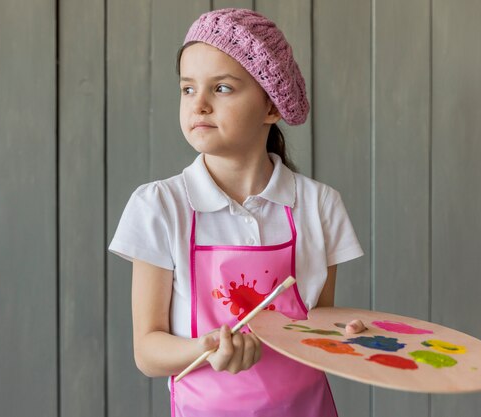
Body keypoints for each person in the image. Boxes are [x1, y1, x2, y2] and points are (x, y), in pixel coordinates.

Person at [109, 8, 365, 416]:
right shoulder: (159, 207)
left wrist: (346, 336)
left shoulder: (320, 206)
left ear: (271, 107)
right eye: (188, 89)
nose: (200, 105)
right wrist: (206, 348)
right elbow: (147, 351)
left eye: (223, 88)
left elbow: (320, 325)